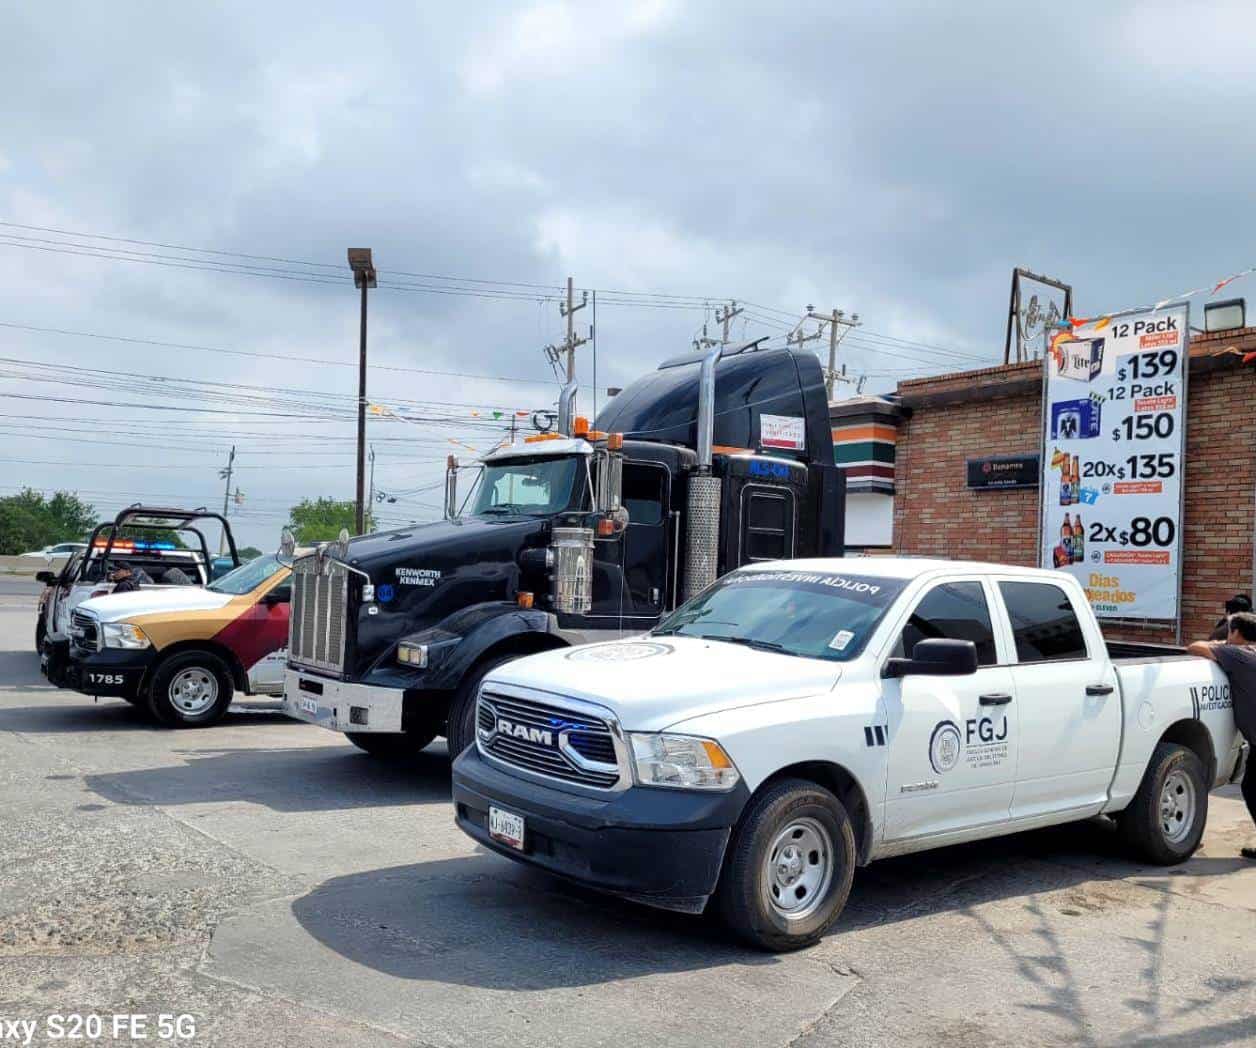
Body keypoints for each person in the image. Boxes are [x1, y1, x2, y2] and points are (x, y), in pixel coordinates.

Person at [1188, 612, 1256, 859]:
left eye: (1229, 631)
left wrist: (1217, 644)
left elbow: (1194, 647)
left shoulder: (1238, 654)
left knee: (1251, 788)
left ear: (1236, 633)